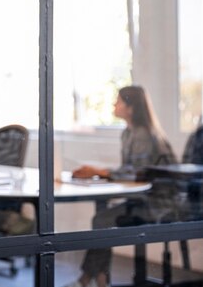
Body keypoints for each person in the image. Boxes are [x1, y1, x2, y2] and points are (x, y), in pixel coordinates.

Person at [64, 85, 177, 287]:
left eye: (118, 101)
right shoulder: (128, 133)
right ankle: (98, 279)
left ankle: (88, 280)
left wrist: (101, 172)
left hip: (158, 204)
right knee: (102, 220)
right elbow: (130, 169)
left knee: (101, 220)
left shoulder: (143, 134)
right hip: (142, 199)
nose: (114, 105)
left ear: (131, 108)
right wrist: (100, 172)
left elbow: (138, 172)